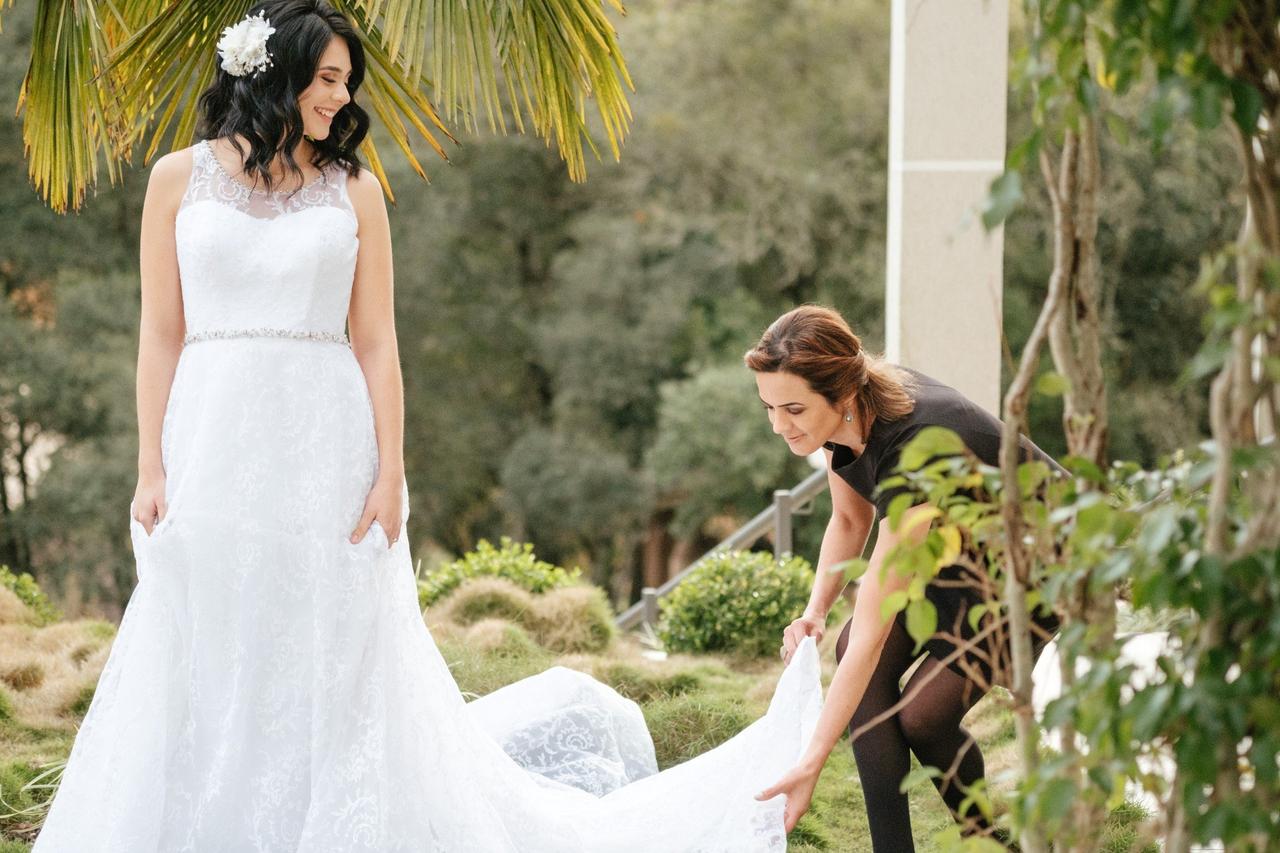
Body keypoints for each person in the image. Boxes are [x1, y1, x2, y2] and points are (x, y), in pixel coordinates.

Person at [31, 3, 826, 851]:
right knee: (207, 630)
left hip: (324, 438)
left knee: (329, 645)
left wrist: (390, 473)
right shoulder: (175, 179)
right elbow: (160, 332)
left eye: (346, 82)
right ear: (273, 72)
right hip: (211, 435)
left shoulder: (357, 190)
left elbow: (378, 343)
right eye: (327, 78)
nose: (339, 97)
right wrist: (150, 466)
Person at [749, 305, 1063, 850]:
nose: (780, 425)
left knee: (923, 717)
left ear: (842, 393)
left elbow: (873, 630)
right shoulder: (846, 421)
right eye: (769, 407)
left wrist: (812, 764)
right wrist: (815, 612)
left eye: (793, 408)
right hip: (952, 560)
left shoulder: (919, 442)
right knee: (857, 663)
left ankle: (989, 840)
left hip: (1033, 574)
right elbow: (850, 519)